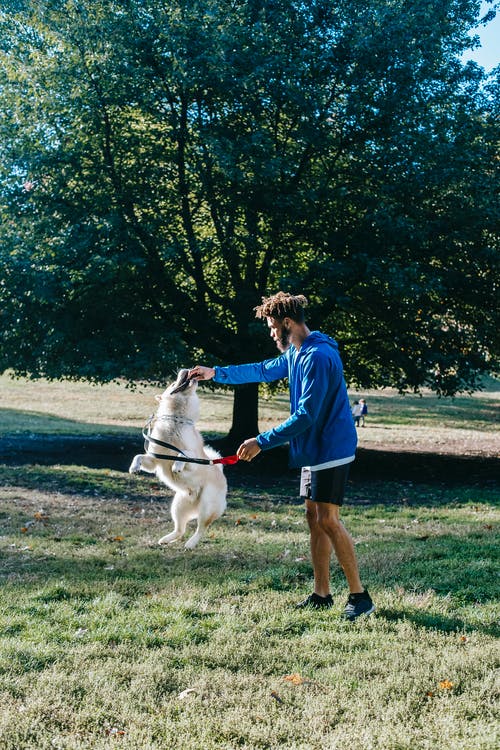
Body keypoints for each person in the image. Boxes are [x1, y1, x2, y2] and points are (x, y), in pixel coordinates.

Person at [188, 291, 375, 621]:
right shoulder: (296, 353)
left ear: (288, 323)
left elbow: (307, 415)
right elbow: (262, 370)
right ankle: (321, 594)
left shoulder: (317, 356)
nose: (272, 333)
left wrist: (261, 441)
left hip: (330, 448)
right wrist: (215, 372)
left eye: (273, 327)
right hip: (310, 450)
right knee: (313, 519)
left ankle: (360, 597)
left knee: (328, 520)